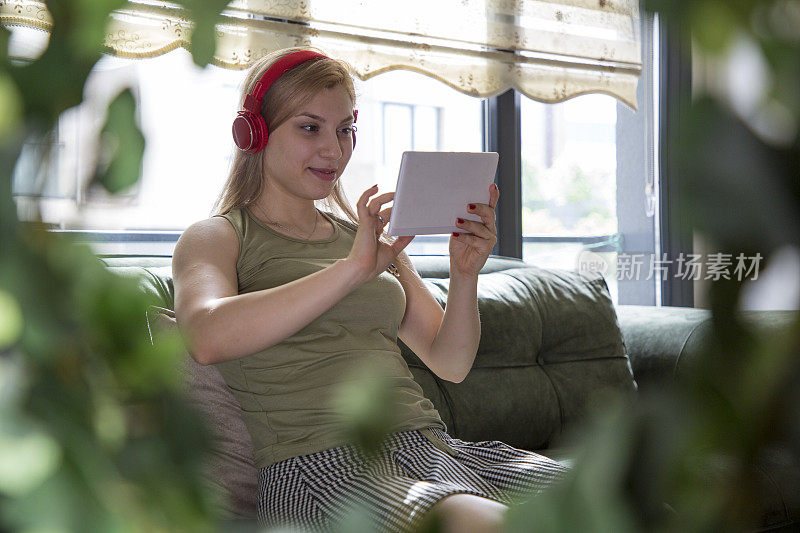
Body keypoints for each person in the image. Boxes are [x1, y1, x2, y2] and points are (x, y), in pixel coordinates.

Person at [172, 47, 567, 533]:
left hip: (432, 449)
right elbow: (206, 336)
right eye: (310, 127)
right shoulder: (217, 236)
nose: (334, 151)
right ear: (252, 132)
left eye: (345, 130)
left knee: (629, 496)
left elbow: (451, 361)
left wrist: (464, 274)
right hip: (320, 467)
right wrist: (354, 268)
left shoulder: (366, 240)